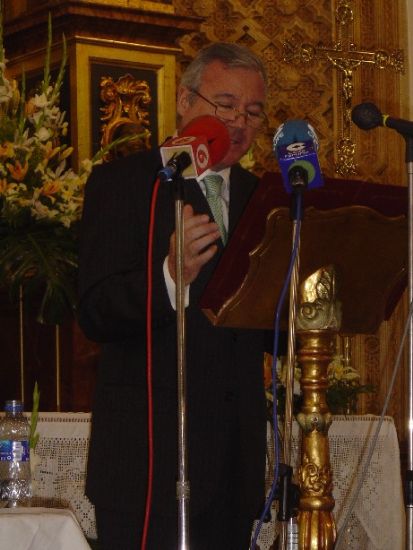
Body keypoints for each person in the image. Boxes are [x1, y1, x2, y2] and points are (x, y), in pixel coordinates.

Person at [78, 42, 268, 550]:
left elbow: (264, 328)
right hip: (146, 463)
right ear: (185, 101)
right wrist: (169, 276)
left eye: (252, 112)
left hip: (234, 465)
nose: (238, 123)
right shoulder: (124, 184)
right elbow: (95, 311)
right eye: (225, 105)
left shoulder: (263, 198)